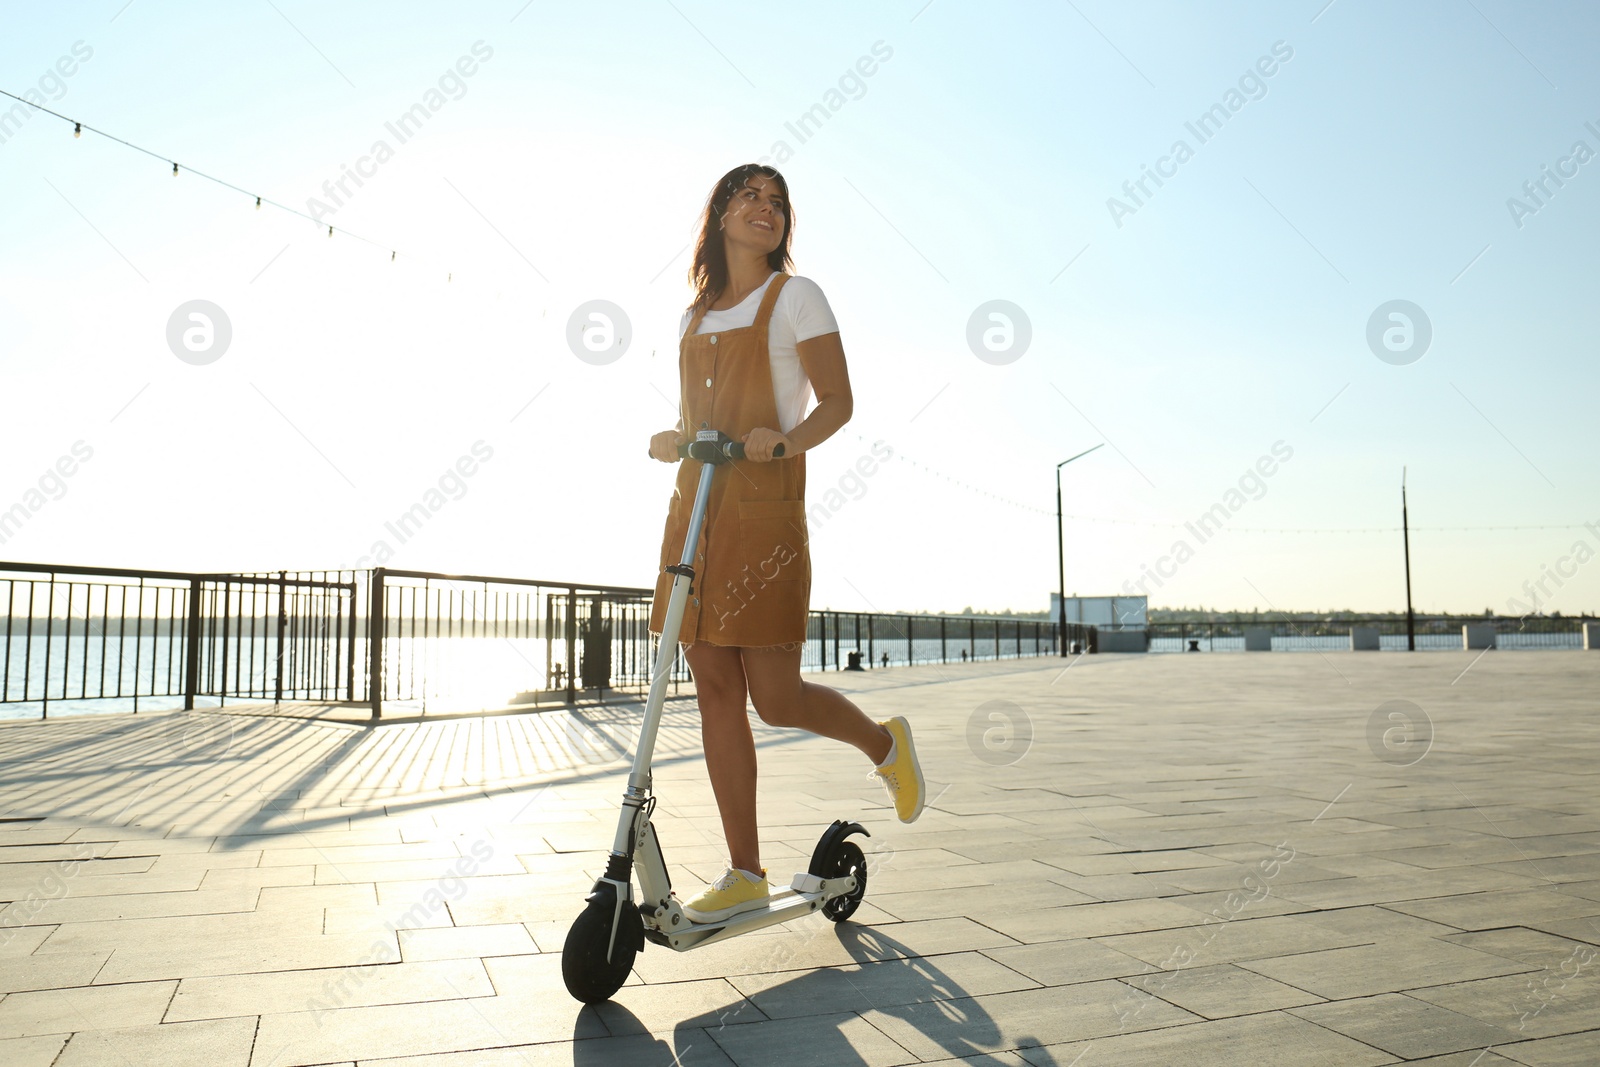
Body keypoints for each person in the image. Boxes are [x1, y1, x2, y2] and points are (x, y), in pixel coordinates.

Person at [648, 164, 925, 924]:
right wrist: (674, 437)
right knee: (710, 686)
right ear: (721, 214)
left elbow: (838, 402)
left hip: (764, 508)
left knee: (773, 697)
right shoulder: (693, 315)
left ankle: (884, 744)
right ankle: (744, 870)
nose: (765, 209)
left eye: (777, 202)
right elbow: (692, 412)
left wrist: (787, 437)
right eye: (750, 196)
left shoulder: (796, 297)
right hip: (696, 513)